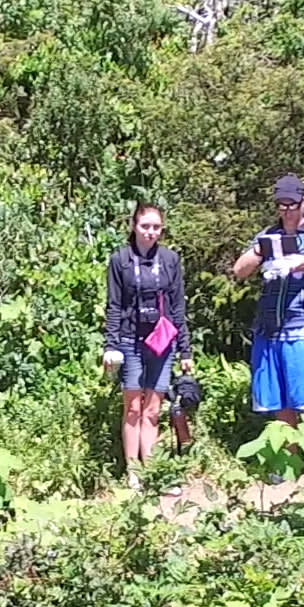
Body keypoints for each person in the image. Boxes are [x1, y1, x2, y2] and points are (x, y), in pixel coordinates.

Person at [230, 173, 304, 480]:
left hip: (301, 328)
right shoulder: (268, 235)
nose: (286, 211)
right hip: (268, 329)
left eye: (291, 205)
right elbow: (239, 271)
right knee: (279, 399)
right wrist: (259, 252)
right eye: (281, 205)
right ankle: (289, 459)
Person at [101, 201, 190, 487]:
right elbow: (114, 305)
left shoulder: (170, 259)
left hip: (162, 342)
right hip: (129, 341)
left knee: (152, 409)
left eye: (156, 227)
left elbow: (177, 306)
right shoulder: (120, 260)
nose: (150, 232)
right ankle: (133, 472)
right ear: (134, 226)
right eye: (145, 226)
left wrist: (185, 349)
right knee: (133, 408)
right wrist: (110, 345)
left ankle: (151, 472)